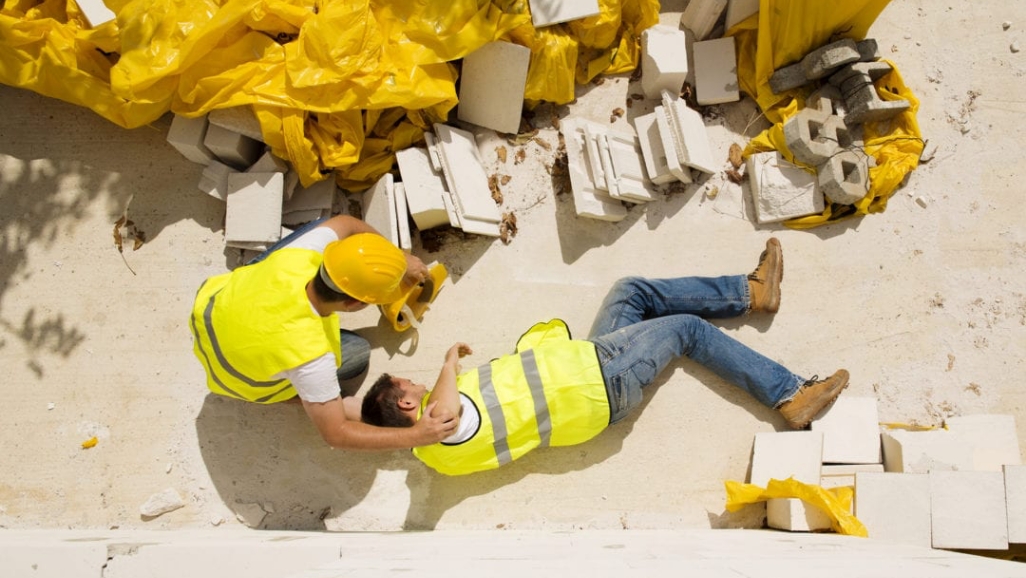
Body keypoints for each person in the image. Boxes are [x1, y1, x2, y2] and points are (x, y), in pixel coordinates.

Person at [360, 238, 849, 475]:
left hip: (586, 368)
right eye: (411, 386)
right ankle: (790, 394)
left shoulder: (434, 458)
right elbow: (446, 413)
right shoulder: (440, 429)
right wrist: (449, 362)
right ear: (407, 406)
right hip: (601, 382)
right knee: (686, 330)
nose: (420, 385)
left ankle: (750, 292)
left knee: (629, 292)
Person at [190, 214, 457, 450]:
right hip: (238, 379)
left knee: (323, 226)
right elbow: (336, 434)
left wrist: (398, 259)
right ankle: (296, 397)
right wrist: (417, 436)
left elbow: (348, 223)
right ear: (355, 303)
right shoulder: (310, 354)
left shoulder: (300, 258)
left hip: (215, 314)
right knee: (357, 353)